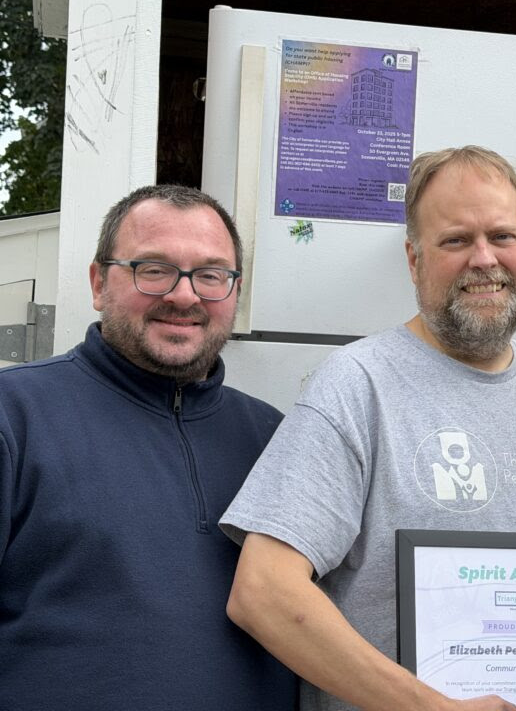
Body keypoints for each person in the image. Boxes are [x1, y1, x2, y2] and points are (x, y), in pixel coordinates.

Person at [220, 145, 516, 711]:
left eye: (503, 236)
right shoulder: (357, 385)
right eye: (456, 240)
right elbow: (262, 591)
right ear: (414, 261)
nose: (484, 259)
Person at [0, 185, 297, 711]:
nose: (184, 296)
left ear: (234, 290)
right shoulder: (15, 418)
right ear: (98, 283)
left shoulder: (277, 440)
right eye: (153, 269)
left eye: (210, 275)